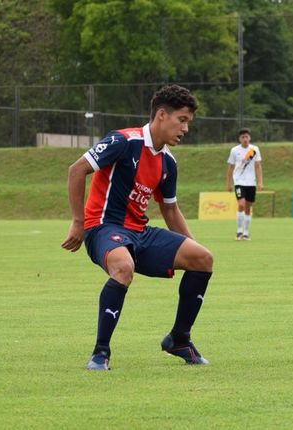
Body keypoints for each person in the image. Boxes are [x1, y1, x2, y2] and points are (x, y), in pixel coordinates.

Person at [61, 84, 213, 371]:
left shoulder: (168, 161)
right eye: (182, 120)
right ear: (161, 115)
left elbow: (169, 208)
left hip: (139, 232)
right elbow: (76, 170)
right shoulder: (123, 141)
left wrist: (193, 248)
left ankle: (179, 339)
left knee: (204, 259)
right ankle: (100, 352)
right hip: (104, 228)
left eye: (188, 123)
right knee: (123, 266)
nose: (185, 129)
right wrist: (78, 223)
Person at [226, 127, 263, 240]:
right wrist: (229, 183)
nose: (245, 139)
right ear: (239, 139)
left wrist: (260, 182)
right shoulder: (234, 151)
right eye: (243, 137)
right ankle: (239, 231)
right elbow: (231, 168)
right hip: (239, 181)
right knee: (241, 204)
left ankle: (246, 232)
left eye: (246, 136)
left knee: (248, 207)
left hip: (251, 183)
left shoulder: (254, 150)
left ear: (250, 138)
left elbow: (258, 166)